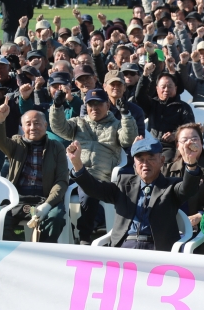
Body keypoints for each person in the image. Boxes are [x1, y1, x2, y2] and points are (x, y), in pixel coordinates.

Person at [66, 138, 203, 250]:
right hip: (125, 246)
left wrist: (191, 164)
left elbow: (188, 188)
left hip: (157, 249)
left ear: (161, 161)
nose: (145, 164)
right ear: (134, 164)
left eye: (151, 158)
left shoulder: (170, 186)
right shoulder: (123, 184)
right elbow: (95, 189)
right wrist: (77, 164)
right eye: (140, 159)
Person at [50, 87, 138, 244]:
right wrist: (57, 106)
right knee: (53, 187)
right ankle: (60, 229)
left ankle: (84, 236)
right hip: (73, 172)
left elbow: (128, 140)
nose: (94, 108)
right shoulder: (79, 122)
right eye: (91, 104)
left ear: (107, 106)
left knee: (89, 192)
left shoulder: (116, 124)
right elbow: (59, 127)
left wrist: (125, 115)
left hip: (99, 175)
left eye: (99, 104)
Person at [0, 103, 68, 243]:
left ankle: (43, 253)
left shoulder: (56, 147)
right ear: (22, 127)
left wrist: (48, 205)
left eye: (37, 123)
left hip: (44, 198)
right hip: (18, 199)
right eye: (28, 124)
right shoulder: (16, 143)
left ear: (45, 126)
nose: (33, 127)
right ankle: (20, 253)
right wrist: (1, 119)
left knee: (55, 218)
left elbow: (61, 180)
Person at [162, 123, 204, 233]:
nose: (189, 143)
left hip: (201, 230)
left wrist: (201, 214)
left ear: (202, 143)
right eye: (184, 140)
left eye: (194, 139)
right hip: (170, 228)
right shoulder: (166, 170)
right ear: (178, 145)